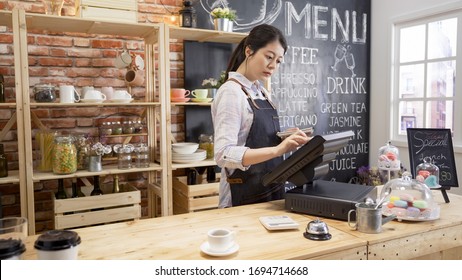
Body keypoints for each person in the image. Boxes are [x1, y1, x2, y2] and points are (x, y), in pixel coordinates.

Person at [211, 24, 311, 208]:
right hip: (244, 197)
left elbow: (256, 138)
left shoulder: (261, 92)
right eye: (269, 57)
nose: (273, 66)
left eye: (279, 61)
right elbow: (223, 154)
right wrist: (278, 150)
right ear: (249, 50)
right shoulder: (232, 92)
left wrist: (283, 138)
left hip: (270, 190)